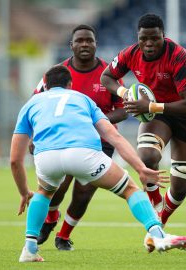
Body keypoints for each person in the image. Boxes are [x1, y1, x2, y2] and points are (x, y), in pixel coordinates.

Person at [11, 65, 186, 262]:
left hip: (47, 157)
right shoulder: (82, 99)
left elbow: (15, 160)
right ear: (70, 85)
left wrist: (23, 192)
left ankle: (29, 249)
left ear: (45, 85)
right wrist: (141, 168)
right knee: (130, 189)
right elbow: (113, 135)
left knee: (44, 192)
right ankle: (158, 236)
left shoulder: (31, 103)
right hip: (83, 154)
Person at [100, 13, 186, 252]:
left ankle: (159, 225)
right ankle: (155, 212)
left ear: (163, 37)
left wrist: (150, 106)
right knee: (147, 155)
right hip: (157, 116)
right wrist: (124, 93)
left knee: (180, 189)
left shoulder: (179, 56)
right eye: (143, 39)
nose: (148, 44)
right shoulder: (130, 53)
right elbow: (107, 77)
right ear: (138, 38)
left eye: (154, 39)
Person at [30, 24, 127, 250]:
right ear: (71, 45)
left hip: (98, 142)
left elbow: (124, 109)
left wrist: (97, 123)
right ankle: (51, 218)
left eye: (89, 40)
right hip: (61, 140)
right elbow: (37, 104)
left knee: (84, 193)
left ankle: (63, 236)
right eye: (80, 40)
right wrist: (35, 136)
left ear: (95, 44)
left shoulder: (109, 74)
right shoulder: (56, 73)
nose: (85, 44)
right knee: (57, 190)